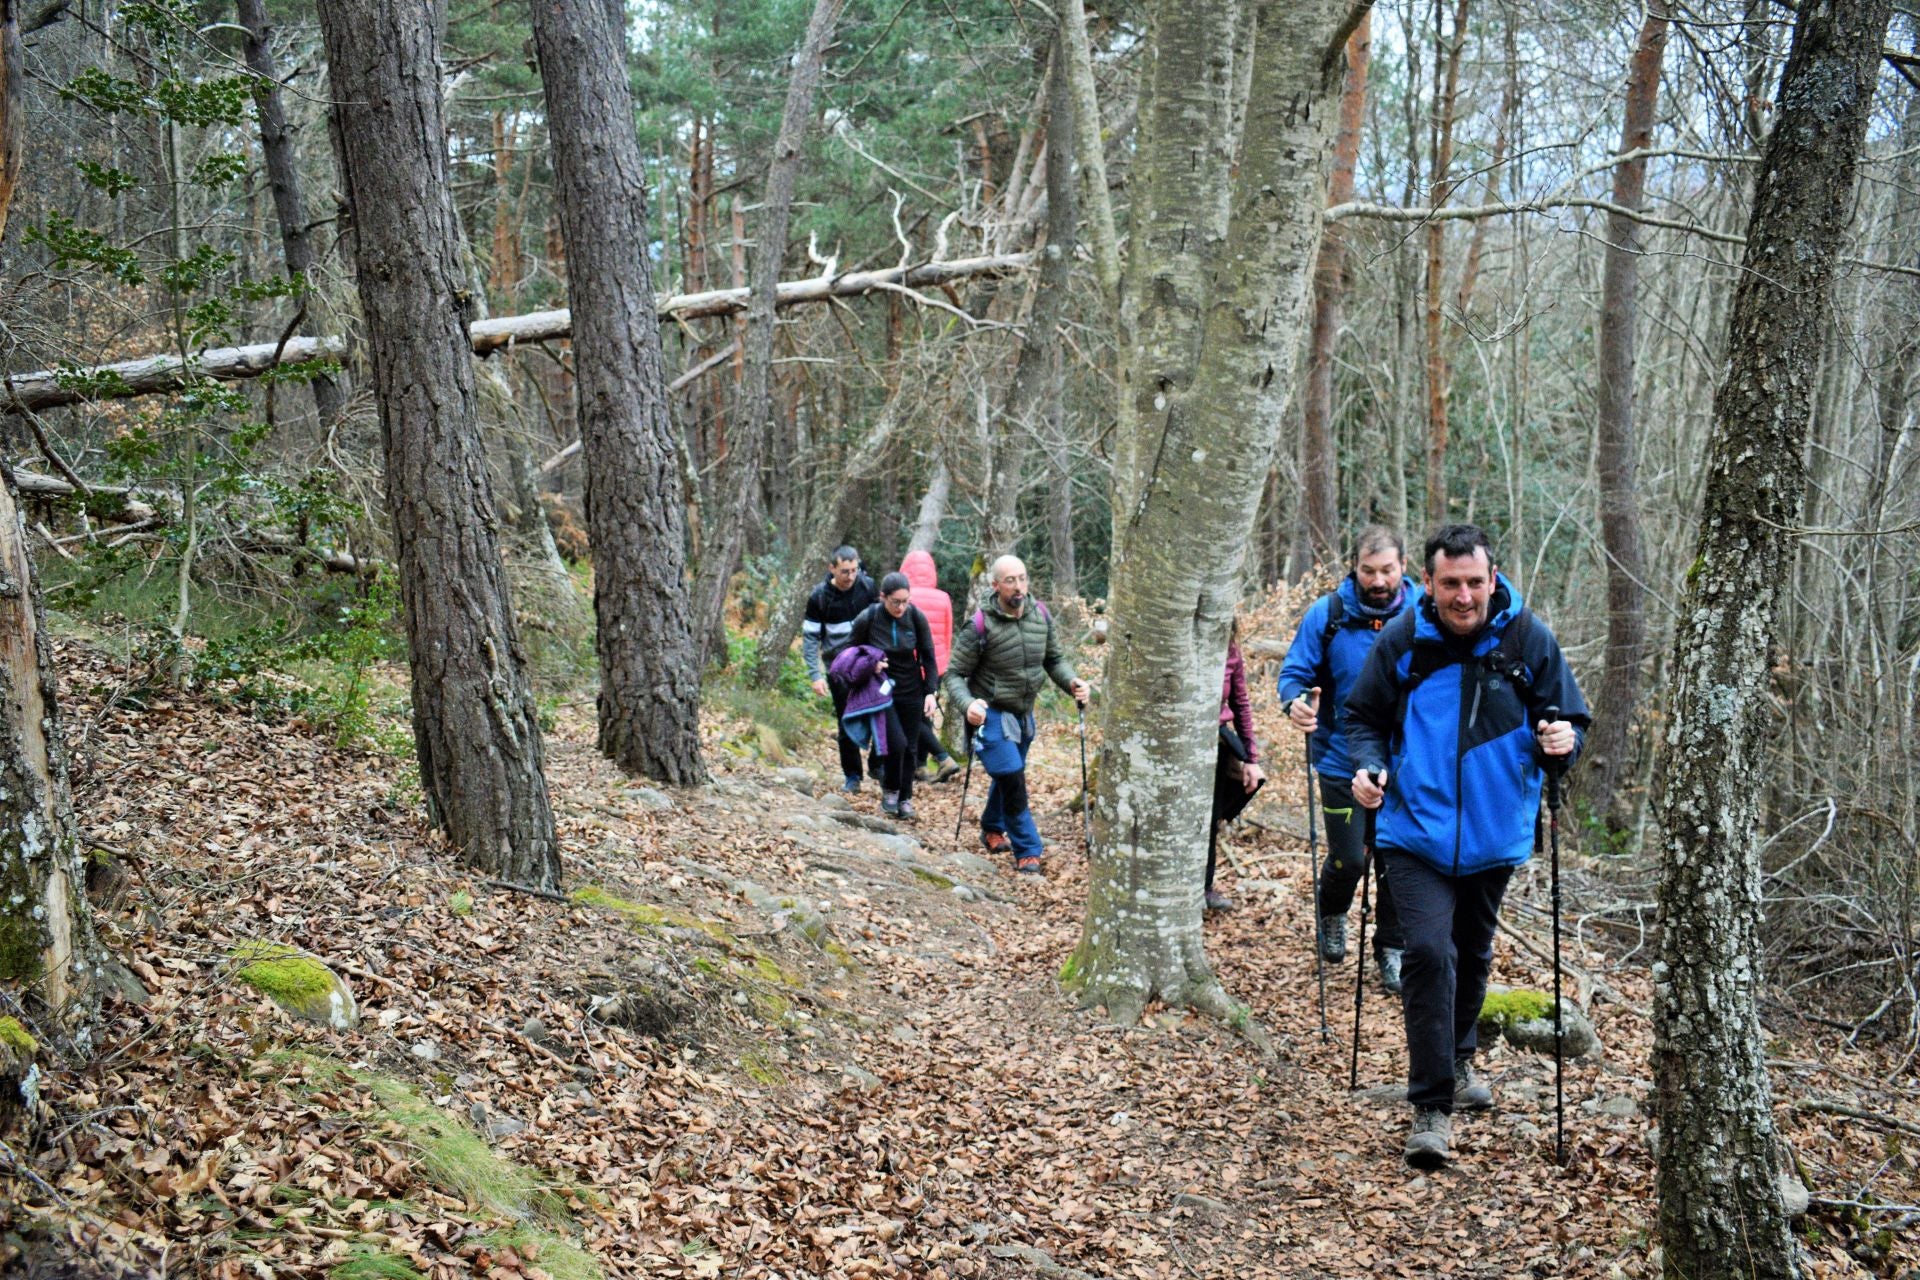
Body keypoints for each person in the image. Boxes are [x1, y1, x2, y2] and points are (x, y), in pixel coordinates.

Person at [1342, 523, 1589, 1169]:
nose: (1463, 596)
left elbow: (1567, 716)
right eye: (1450, 583)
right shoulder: (1403, 640)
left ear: (1492, 577)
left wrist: (1562, 741)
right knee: (1427, 951)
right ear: (1428, 583)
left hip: (1494, 829)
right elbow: (1362, 717)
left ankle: (1457, 1054)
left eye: (1474, 582)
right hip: (1413, 830)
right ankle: (1431, 1106)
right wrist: (1367, 769)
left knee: (1473, 952)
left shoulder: (1526, 637)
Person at [1276, 526, 1421, 992]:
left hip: (1410, 764)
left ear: (1404, 566)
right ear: (1354, 567)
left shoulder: (1426, 614)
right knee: (1350, 858)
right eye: (1368, 570)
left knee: (1399, 862)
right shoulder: (1331, 613)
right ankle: (1333, 912)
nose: (1377, 581)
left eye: (1387, 570)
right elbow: (1295, 671)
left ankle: (1391, 948)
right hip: (1341, 759)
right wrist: (1296, 702)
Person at [940, 555, 1089, 875]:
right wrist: (968, 706)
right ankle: (1028, 849)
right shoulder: (980, 624)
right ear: (995, 585)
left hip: (1023, 715)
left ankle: (992, 827)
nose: (1018, 586)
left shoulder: (1041, 616)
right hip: (989, 716)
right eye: (1010, 580)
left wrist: (1072, 682)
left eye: (1022, 578)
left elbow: (1054, 660)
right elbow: (953, 675)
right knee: (1011, 776)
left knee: (1010, 774)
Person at [847, 573, 940, 820]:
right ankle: (890, 790)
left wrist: (931, 692)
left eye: (905, 601)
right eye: (895, 602)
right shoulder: (869, 617)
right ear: (883, 597)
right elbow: (849, 652)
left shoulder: (916, 617)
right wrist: (870, 665)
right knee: (895, 743)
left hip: (912, 690)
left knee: (910, 747)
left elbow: (929, 656)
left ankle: (905, 798)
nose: (900, 607)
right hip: (881, 690)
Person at [802, 545, 880, 793]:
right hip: (839, 668)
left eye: (854, 570)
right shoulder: (819, 597)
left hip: (870, 664)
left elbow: (882, 622)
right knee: (847, 720)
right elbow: (811, 638)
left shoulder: (867, 587)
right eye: (845, 571)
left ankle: (877, 765)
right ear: (832, 568)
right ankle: (853, 776)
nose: (850, 576)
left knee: (880, 713)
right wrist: (815, 675)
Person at [1205, 624, 1268, 913]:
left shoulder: (1230, 649)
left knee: (1211, 818)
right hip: (1176, 744)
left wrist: (1251, 759)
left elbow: (1240, 702)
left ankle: (1203, 887)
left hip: (1218, 743)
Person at [899, 549, 961, 782]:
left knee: (914, 716)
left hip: (910, 665)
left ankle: (943, 758)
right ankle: (920, 766)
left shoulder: (905, 597)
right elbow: (946, 634)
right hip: (937, 666)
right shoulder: (943, 597)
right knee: (925, 714)